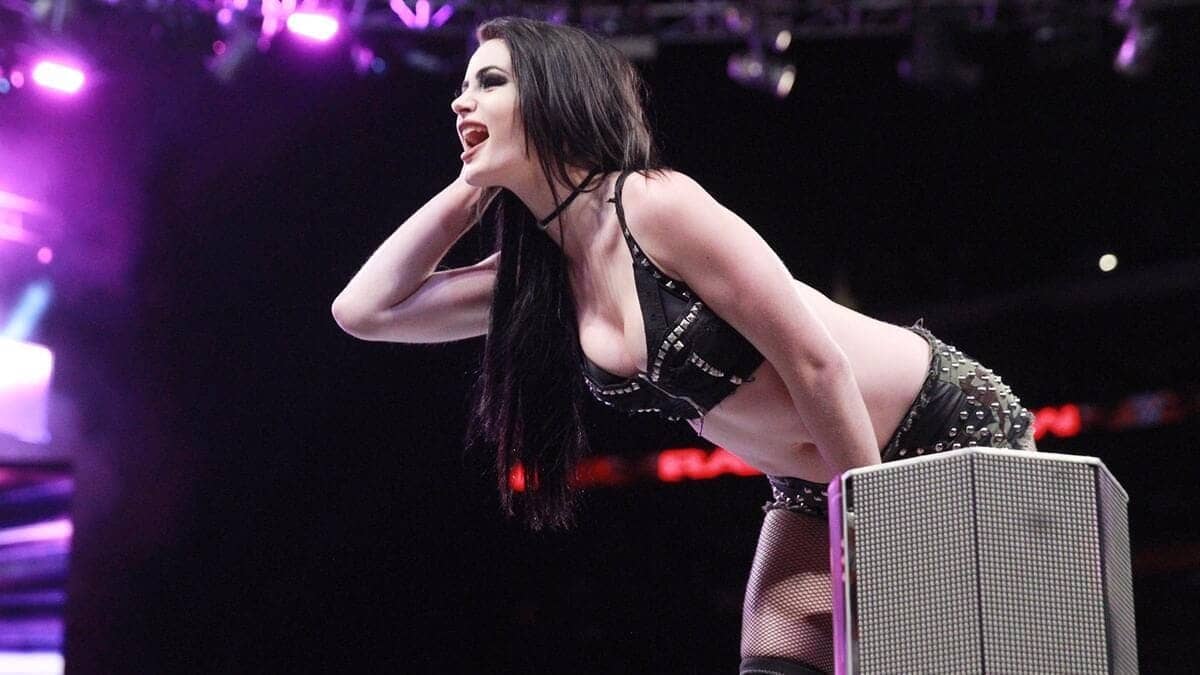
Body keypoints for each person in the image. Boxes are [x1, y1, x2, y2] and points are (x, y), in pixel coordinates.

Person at [331, 16, 1037, 675]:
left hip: (937, 429)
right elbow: (364, 311)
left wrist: (868, 522)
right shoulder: (537, 280)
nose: (461, 101)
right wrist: (473, 184)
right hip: (813, 487)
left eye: (489, 82)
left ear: (553, 97)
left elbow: (815, 363)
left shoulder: (652, 203)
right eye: (463, 88)